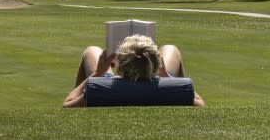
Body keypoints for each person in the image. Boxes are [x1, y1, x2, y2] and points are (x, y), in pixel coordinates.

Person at [62, 34, 205, 107]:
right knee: (170, 48)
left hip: (111, 86)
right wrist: (165, 75)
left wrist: (97, 73)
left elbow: (68, 103)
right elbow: (200, 103)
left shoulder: (97, 89)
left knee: (92, 50)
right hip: (161, 88)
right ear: (156, 64)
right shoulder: (178, 90)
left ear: (120, 68)